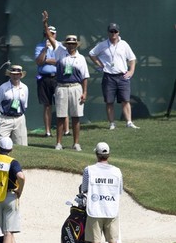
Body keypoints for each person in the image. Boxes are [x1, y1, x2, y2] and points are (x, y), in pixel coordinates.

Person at [42, 11, 89, 151]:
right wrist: (45, 23)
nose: (70, 45)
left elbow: (85, 76)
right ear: (66, 44)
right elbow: (50, 37)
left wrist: (85, 92)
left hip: (76, 87)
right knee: (61, 116)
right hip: (61, 87)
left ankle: (76, 143)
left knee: (76, 116)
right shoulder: (60, 51)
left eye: (73, 43)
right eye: (68, 43)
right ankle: (58, 143)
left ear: (76, 45)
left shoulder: (81, 59)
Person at [81, 142, 124, 243]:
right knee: (112, 240)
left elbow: (84, 188)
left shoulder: (89, 169)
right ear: (108, 155)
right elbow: (120, 190)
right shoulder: (117, 171)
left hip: (95, 209)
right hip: (111, 209)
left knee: (95, 241)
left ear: (96, 154)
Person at [89, 23, 139, 130]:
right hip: (109, 76)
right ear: (108, 32)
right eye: (111, 31)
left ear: (118, 32)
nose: (113, 33)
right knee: (109, 101)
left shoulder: (124, 44)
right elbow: (91, 53)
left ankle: (129, 122)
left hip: (123, 76)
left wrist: (131, 71)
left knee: (126, 100)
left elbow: (132, 59)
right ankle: (112, 123)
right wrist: (100, 64)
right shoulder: (102, 44)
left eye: (115, 31)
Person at [34, 25, 69, 137]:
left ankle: (66, 130)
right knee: (47, 105)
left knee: (62, 104)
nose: (50, 36)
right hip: (44, 78)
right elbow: (39, 62)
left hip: (57, 77)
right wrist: (45, 50)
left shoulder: (59, 46)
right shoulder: (39, 46)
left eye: (53, 34)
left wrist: (47, 60)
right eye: (48, 34)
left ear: (55, 34)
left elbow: (60, 61)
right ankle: (48, 131)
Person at [0, 65, 29, 146]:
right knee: (2, 145)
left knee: (21, 145)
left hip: (20, 119)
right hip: (5, 119)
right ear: (10, 75)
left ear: (20, 75)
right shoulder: (2, 88)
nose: (15, 76)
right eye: (13, 74)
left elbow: (25, 105)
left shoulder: (25, 88)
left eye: (17, 74)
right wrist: (6, 113)